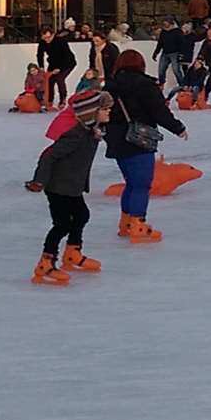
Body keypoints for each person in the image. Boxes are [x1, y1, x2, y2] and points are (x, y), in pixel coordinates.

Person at [25, 86, 110, 285]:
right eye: (105, 109)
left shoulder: (91, 131)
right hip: (57, 187)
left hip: (72, 185)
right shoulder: (76, 134)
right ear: (91, 113)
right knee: (62, 225)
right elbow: (49, 156)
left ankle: (73, 253)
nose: (109, 112)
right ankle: (45, 263)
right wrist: (39, 181)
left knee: (82, 215)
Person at [104, 50, 188, 243]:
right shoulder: (145, 85)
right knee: (141, 184)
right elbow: (159, 111)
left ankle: (125, 223)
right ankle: (138, 224)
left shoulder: (110, 85)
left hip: (116, 139)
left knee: (131, 183)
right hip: (138, 139)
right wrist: (178, 128)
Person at [37, 26, 78, 108]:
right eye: (44, 38)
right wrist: (41, 66)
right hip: (53, 63)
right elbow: (40, 55)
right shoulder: (42, 42)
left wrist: (60, 68)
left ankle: (62, 99)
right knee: (49, 80)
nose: (47, 40)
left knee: (59, 79)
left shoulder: (61, 41)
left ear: (53, 35)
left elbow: (66, 56)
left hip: (67, 63)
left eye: (49, 37)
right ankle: (49, 100)